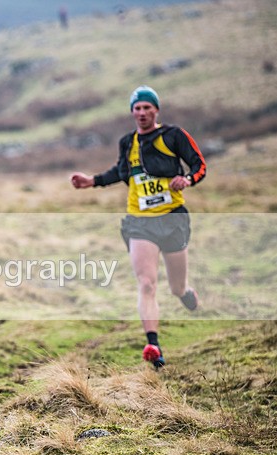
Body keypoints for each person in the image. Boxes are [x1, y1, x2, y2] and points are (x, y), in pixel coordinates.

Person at [69, 86, 206, 369]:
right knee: (146, 282)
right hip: (139, 222)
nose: (142, 113)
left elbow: (199, 164)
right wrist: (90, 181)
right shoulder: (127, 142)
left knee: (176, 285)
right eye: (137, 108)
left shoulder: (173, 136)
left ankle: (185, 294)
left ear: (156, 110)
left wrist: (188, 179)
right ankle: (153, 344)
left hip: (172, 218)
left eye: (147, 108)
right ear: (132, 112)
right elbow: (120, 173)